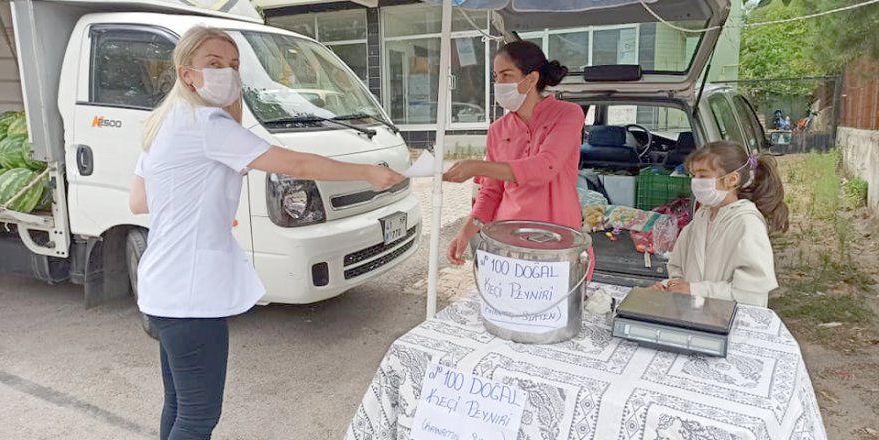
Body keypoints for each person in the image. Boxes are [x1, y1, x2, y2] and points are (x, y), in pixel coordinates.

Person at [128, 26, 402, 440]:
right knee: (199, 417)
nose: (228, 73)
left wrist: (199, 200)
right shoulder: (208, 123)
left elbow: (139, 200)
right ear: (187, 74)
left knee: (180, 407)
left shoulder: (164, 123)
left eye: (234, 65)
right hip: (190, 294)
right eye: (214, 64)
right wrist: (366, 171)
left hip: (161, 286)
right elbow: (297, 166)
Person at [443, 40, 585, 264]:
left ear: (531, 79)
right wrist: (465, 231)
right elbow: (491, 192)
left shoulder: (567, 114)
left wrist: (476, 167)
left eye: (506, 75)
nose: (498, 83)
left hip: (558, 240)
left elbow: (545, 166)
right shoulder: (498, 129)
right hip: (508, 243)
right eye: (495, 75)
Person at [654, 141, 789, 307]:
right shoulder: (702, 216)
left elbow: (751, 293)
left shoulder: (746, 224)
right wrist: (672, 286)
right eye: (693, 175)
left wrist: (695, 290)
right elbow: (678, 266)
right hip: (695, 315)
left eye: (703, 176)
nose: (696, 182)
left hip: (726, 320)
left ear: (732, 179)